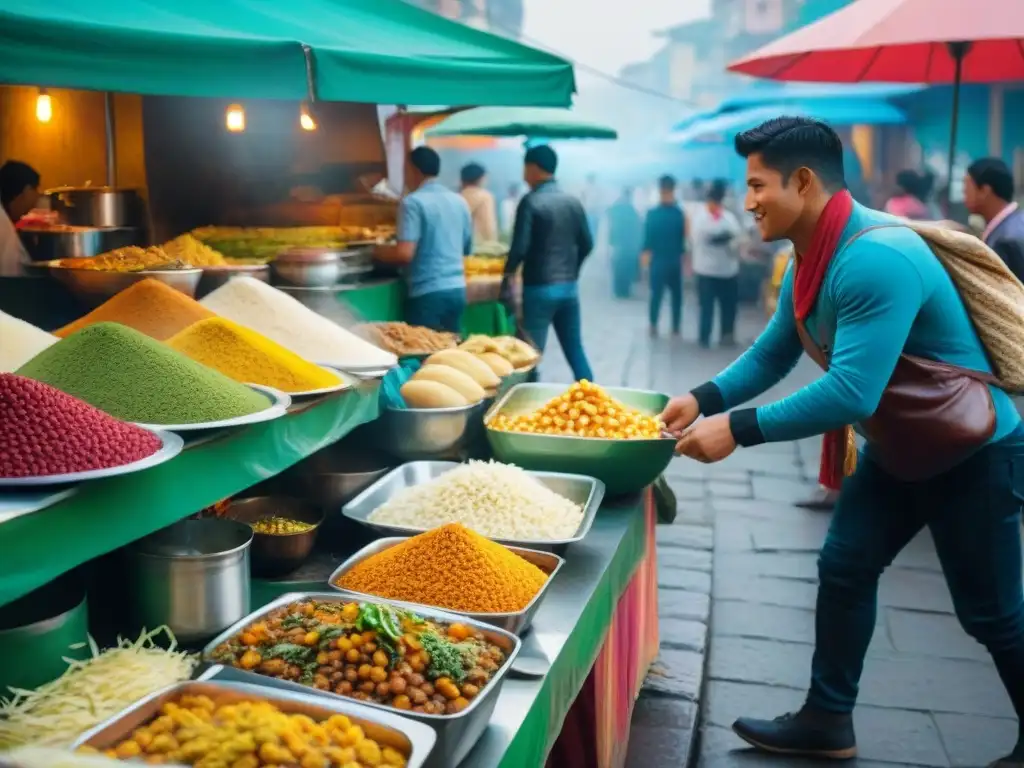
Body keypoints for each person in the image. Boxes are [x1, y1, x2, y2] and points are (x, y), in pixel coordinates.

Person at [660, 116, 1024, 766]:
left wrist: (738, 430)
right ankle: (828, 719)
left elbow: (851, 393)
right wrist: (704, 399)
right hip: (902, 448)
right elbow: (774, 353)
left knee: (992, 615)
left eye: (757, 185)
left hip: (974, 452)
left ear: (802, 181)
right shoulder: (810, 254)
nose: (748, 202)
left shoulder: (874, 258)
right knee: (846, 568)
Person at [501, 144, 594, 382]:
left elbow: (519, 248)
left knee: (530, 355)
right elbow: (587, 244)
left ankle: (527, 410)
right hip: (568, 289)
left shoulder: (530, 201)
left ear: (533, 168)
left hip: (538, 289)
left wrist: (507, 277)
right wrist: (572, 271)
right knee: (575, 349)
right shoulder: (572, 202)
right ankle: (594, 400)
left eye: (524, 167)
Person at [375, 147, 470, 332]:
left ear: (414, 170)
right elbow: (465, 248)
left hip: (428, 294)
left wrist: (376, 252)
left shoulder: (413, 202)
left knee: (425, 355)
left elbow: (404, 254)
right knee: (450, 354)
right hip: (457, 290)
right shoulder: (459, 201)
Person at [690, 178, 742, 347]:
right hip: (706, 270)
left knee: (729, 306)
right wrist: (720, 237)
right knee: (706, 307)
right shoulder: (700, 217)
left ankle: (727, 335)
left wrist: (726, 238)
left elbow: (736, 237)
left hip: (727, 270)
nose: (715, 205)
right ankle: (704, 337)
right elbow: (699, 237)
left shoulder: (729, 218)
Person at [964, 157, 1024, 283]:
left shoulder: (1006, 240)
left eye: (967, 187)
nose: (964, 193)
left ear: (984, 191)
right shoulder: (1014, 224)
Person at [640, 175, 686, 336]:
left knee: (671, 295)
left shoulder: (657, 214)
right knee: (660, 294)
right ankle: (656, 324)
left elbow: (683, 240)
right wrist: (645, 264)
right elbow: (646, 242)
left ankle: (673, 326)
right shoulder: (677, 213)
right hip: (663, 260)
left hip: (667, 260)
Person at [0, 160, 40, 277]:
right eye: (36, 189)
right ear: (26, 191)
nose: (35, 202)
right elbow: (13, 276)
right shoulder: (3, 226)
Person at [606, 187, 643, 299]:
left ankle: (619, 290)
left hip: (620, 242)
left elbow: (612, 222)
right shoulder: (631, 210)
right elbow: (638, 227)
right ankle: (624, 290)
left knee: (619, 266)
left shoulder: (617, 207)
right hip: (628, 243)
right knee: (626, 267)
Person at [459, 162, 498, 245]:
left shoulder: (456, 197)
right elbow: (488, 226)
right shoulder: (485, 197)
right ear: (481, 179)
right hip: (480, 247)